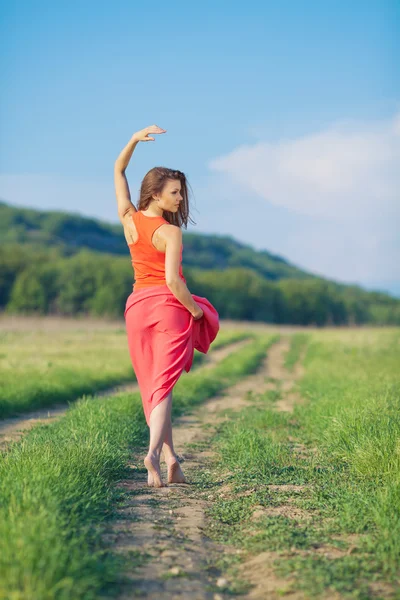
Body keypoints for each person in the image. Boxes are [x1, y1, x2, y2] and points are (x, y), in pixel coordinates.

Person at [114, 125, 220, 488]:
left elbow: (118, 171)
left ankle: (173, 460)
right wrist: (195, 312)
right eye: (174, 193)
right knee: (163, 387)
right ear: (156, 195)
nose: (179, 199)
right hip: (167, 307)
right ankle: (153, 453)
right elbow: (174, 282)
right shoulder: (169, 232)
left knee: (156, 388)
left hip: (136, 309)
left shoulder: (128, 219)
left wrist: (131, 141)